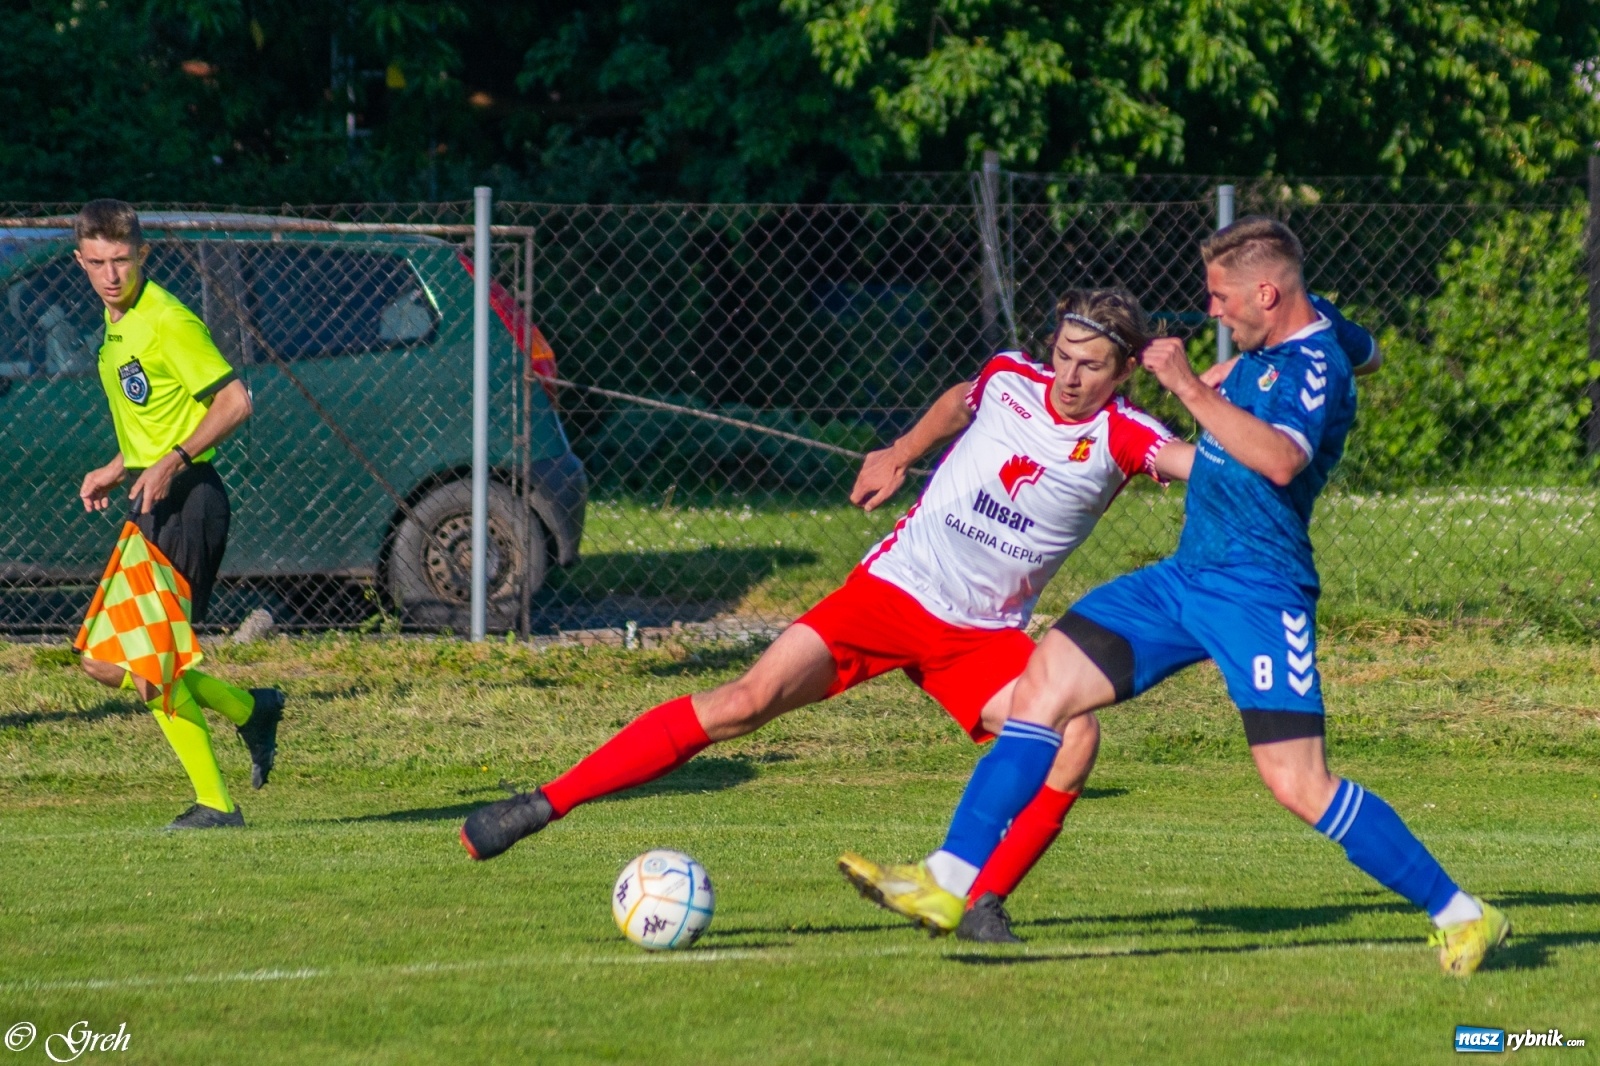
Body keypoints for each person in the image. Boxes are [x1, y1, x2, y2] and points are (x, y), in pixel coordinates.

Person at [843, 216, 1509, 977]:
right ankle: (948, 878)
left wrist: (1191, 386)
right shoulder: (1316, 328)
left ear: (1268, 293)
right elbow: (1371, 349)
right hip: (1187, 576)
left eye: (1223, 299)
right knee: (1045, 687)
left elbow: (1281, 460)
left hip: (1259, 591)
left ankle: (1464, 914)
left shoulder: (1311, 366)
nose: (1213, 312)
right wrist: (1247, 372)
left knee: (1298, 782)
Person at [460, 289, 1193, 876]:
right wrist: (899, 452)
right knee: (742, 702)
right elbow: (958, 400)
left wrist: (1198, 394)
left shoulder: (1124, 435)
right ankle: (542, 804)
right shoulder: (1009, 379)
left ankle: (979, 899)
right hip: (892, 593)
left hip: (980, 638)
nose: (1070, 376)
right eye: (1063, 356)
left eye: (1091, 365)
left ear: (1124, 372)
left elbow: (1206, 468)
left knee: (1074, 737)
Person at [72, 199, 285, 830]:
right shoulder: (118, 324)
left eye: (122, 260)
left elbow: (235, 402)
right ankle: (249, 709)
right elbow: (159, 413)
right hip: (152, 498)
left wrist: (172, 461)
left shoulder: (167, 319)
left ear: (144, 255)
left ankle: (216, 805)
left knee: (149, 669)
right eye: (98, 263)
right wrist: (121, 465)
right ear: (81, 261)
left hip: (189, 502)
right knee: (102, 661)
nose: (111, 275)